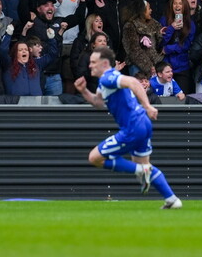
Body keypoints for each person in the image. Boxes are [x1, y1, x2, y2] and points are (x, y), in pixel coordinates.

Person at [75, 46, 182, 209]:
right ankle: (172, 199)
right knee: (145, 166)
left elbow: (132, 81)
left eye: (93, 62)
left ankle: (141, 171)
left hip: (133, 126)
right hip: (143, 124)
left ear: (104, 64)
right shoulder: (105, 81)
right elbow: (98, 102)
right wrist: (83, 90)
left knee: (94, 158)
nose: (90, 66)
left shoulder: (107, 78)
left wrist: (148, 106)